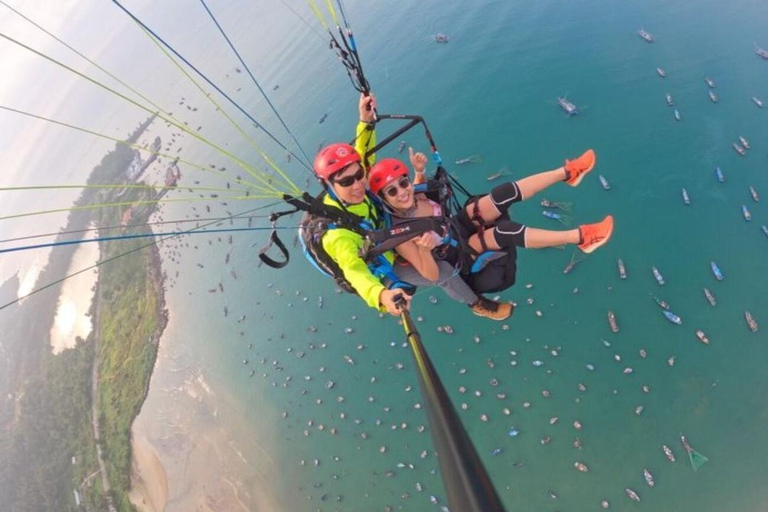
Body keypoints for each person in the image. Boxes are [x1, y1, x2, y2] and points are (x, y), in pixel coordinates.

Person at [309, 94, 511, 319]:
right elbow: (354, 271)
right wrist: (381, 296)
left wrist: (365, 122)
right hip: (382, 258)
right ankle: (477, 304)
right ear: (329, 185)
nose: (357, 185)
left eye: (359, 175)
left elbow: (362, 152)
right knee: (442, 271)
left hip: (390, 227)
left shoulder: (359, 182)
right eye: (347, 182)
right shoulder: (337, 237)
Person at [367, 148, 614, 294]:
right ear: (385, 200)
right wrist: (424, 249)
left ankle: (568, 173)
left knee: (500, 194)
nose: (402, 192)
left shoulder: (414, 194)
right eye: (392, 191)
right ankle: (582, 238)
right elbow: (432, 275)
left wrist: (419, 170)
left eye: (403, 182)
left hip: (455, 226)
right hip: (458, 254)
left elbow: (414, 191)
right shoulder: (402, 235)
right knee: (505, 232)